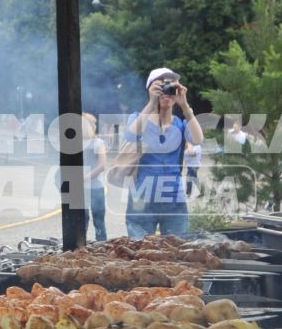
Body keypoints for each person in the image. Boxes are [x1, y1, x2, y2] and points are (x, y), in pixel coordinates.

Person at [123, 68, 204, 235]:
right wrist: (152, 103)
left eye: (171, 88)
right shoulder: (139, 118)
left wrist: (185, 105)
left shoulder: (180, 124)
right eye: (161, 87)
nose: (166, 92)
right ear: (150, 90)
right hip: (142, 196)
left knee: (177, 250)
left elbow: (197, 139)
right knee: (140, 251)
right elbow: (131, 135)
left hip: (174, 196)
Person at [82, 112, 109, 241]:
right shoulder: (75, 143)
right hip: (80, 188)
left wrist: (86, 177)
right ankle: (80, 246)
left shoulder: (97, 143)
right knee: (82, 219)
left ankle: (102, 245)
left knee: (98, 220)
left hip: (95, 186)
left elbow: (102, 165)